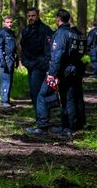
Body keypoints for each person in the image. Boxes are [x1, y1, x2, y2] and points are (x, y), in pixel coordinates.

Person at [27, 9, 83, 139]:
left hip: (61, 71)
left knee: (41, 96)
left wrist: (52, 74)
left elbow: (57, 54)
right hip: (72, 70)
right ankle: (67, 128)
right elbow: (80, 52)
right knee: (67, 99)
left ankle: (42, 126)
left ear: (58, 19)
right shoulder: (73, 33)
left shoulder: (61, 33)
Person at [20, 8, 53, 109]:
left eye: (33, 16)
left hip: (40, 66)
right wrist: (24, 61)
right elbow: (23, 47)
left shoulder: (45, 29)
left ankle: (42, 118)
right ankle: (39, 116)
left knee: (38, 92)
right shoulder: (26, 30)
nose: (31, 18)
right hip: (30, 65)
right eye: (29, 16)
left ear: (38, 16)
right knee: (33, 92)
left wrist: (46, 65)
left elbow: (49, 49)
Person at [0, 15, 17, 108]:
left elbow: (14, 48)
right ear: (4, 23)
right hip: (5, 59)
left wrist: (17, 59)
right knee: (5, 80)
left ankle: (7, 99)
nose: (9, 24)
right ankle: (3, 101)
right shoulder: (2, 33)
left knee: (10, 80)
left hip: (11, 59)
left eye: (11, 22)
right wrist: (1, 60)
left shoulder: (12, 33)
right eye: (7, 22)